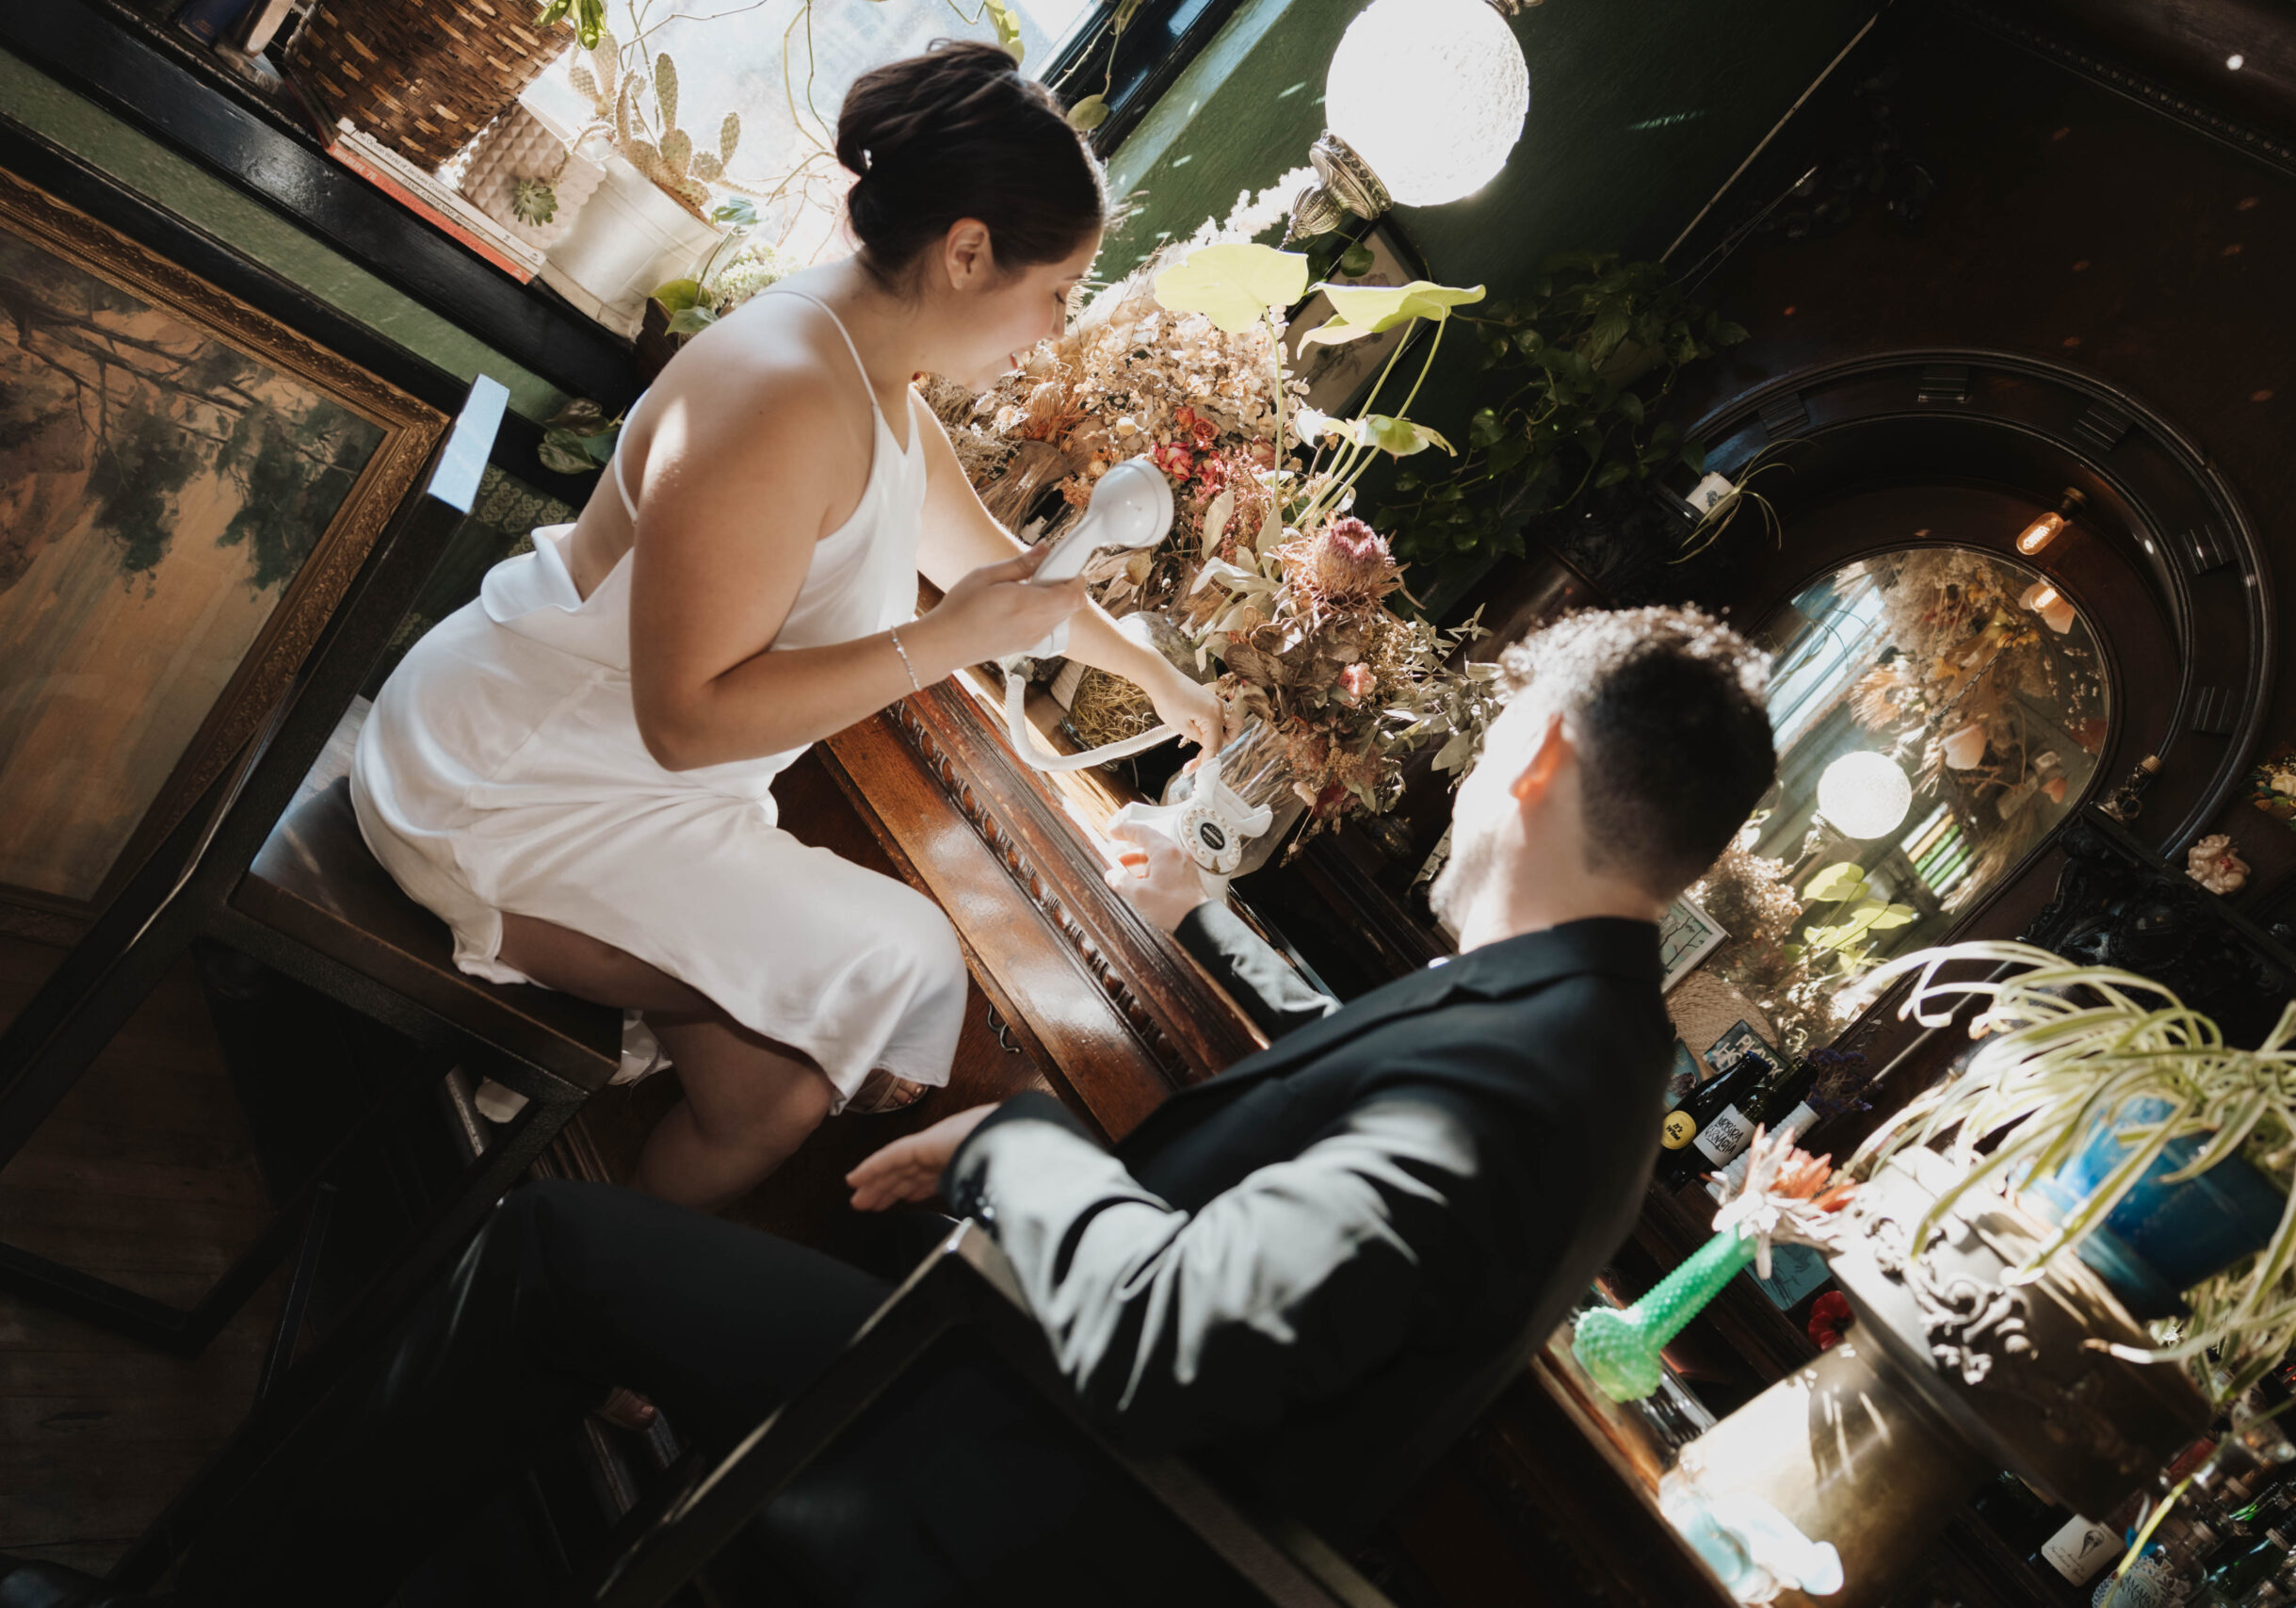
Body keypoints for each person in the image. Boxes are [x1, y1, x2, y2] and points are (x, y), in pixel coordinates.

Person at [178, 604, 1773, 1607]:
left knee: (554, 1256)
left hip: (1033, 1500)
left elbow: (1174, 1336)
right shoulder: (1590, 1034)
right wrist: (1203, 918)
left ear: (1538, 755)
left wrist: (1017, 1144)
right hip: (1052, 1441)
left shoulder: (1527, 1068)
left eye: (1491, 738)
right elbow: (1341, 1079)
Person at [347, 41, 1222, 1215]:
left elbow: (981, 568)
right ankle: (499, 1177)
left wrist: (1152, 671)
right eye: (1057, 290)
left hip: (619, 792)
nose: (1054, 329)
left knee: (776, 1097)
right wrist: (946, 643)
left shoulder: (872, 377)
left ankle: (559, 1306)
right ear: (967, 251)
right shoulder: (781, 393)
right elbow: (686, 719)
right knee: (888, 960)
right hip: (511, 784)